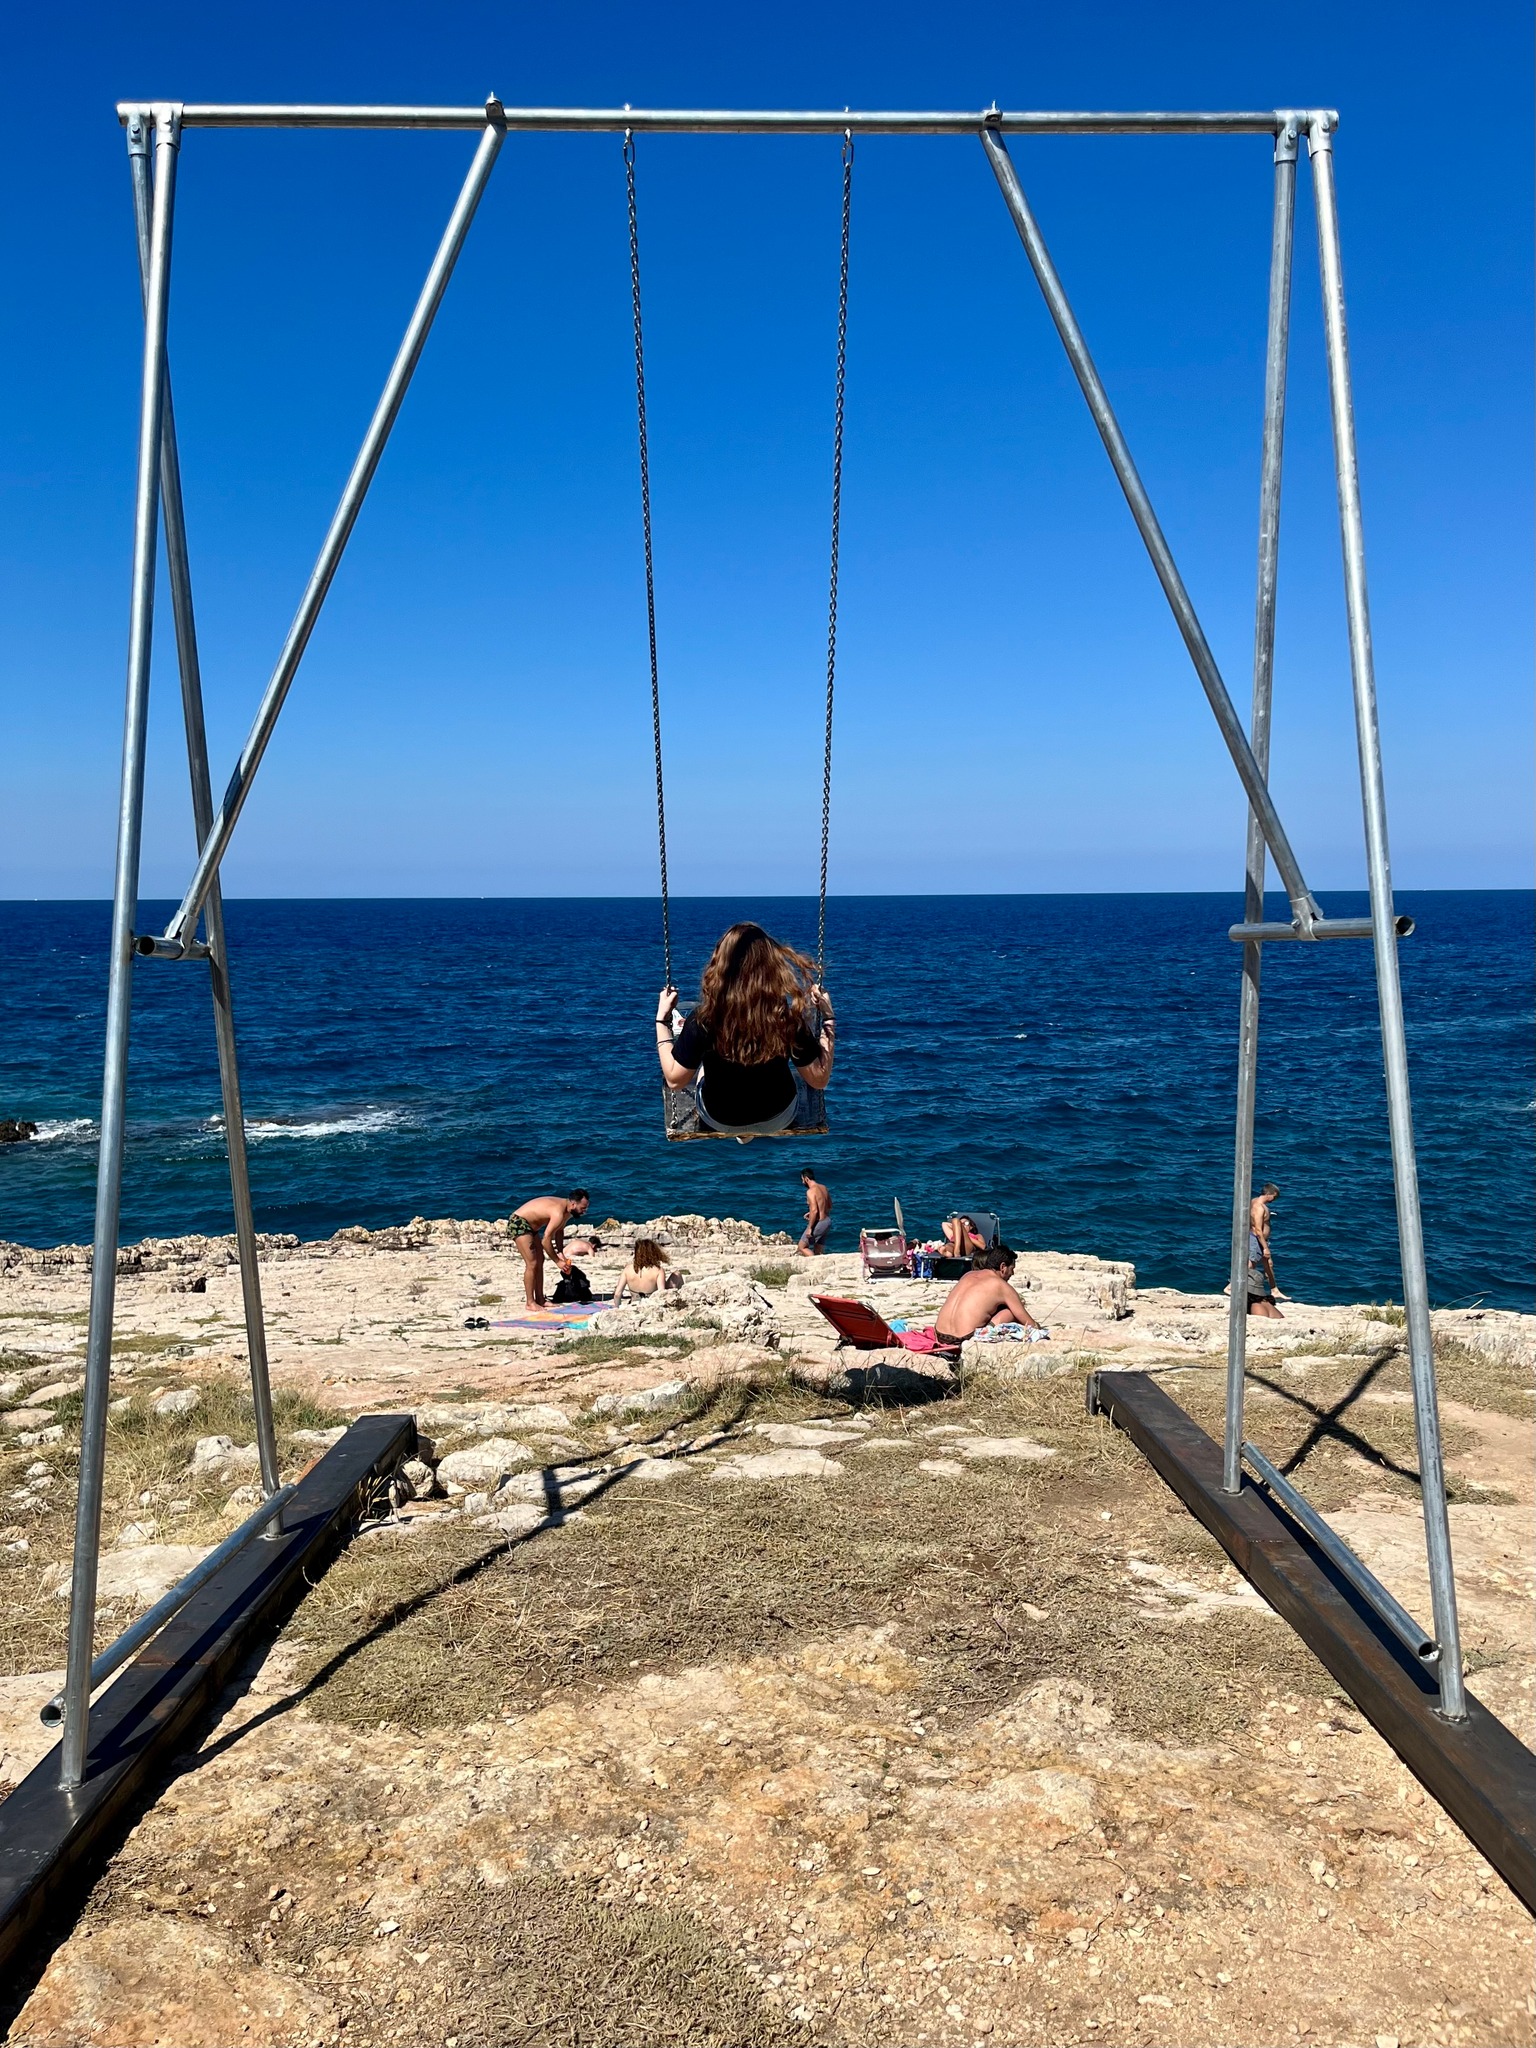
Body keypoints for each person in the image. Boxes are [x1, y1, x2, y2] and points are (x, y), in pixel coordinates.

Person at [655, 923, 835, 1136]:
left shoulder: (704, 1019)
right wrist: (828, 1017)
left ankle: (742, 1128)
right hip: (778, 1116)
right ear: (771, 967)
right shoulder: (785, 1018)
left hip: (720, 1119)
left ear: (719, 965)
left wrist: (662, 1020)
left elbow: (675, 1080)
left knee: (702, 1068)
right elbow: (819, 1079)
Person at [934, 1244, 1043, 1346]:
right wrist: (1038, 1326)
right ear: (1003, 1267)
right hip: (962, 1339)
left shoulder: (968, 1275)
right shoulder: (1001, 1285)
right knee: (1010, 1312)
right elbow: (1029, 1323)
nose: (1012, 1274)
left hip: (939, 1335)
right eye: (1012, 1269)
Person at [507, 1190, 590, 1308]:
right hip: (519, 1223)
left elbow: (559, 1231)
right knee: (532, 1263)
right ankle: (530, 1303)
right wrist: (557, 1261)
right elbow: (546, 1240)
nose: (584, 1212)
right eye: (583, 1208)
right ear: (573, 1204)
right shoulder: (558, 1212)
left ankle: (540, 1299)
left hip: (532, 1228)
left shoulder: (567, 1211)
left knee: (540, 1261)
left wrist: (560, 1252)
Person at [1247, 1181, 1285, 1319]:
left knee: (1268, 1264)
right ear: (1269, 1194)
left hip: (1259, 1240)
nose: (1274, 1200)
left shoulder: (1254, 1201)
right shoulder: (1259, 1207)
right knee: (1251, 1264)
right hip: (1258, 1240)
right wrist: (1265, 1247)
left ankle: (1274, 1289)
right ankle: (1232, 1285)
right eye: (1274, 1197)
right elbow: (1258, 1229)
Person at [612, 1238, 681, 1305]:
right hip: (651, 1303)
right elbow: (661, 1293)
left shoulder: (628, 1269)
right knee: (677, 1275)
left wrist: (617, 1308)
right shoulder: (658, 1270)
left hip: (634, 1302)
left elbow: (617, 1294)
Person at [798, 1166, 832, 1256]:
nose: (802, 1182)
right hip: (827, 1221)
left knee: (802, 1247)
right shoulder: (824, 1188)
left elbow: (814, 1210)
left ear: (806, 1179)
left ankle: (812, 1263)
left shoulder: (810, 1191)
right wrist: (811, 1213)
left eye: (802, 1179)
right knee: (818, 1250)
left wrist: (810, 1228)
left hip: (819, 1223)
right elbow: (829, 1206)